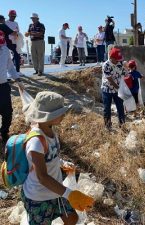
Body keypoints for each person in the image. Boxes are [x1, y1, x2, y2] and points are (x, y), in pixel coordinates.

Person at [21, 91, 94, 225]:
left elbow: (50, 156)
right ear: (48, 117)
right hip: (39, 197)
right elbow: (42, 177)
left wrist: (61, 163)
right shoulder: (36, 141)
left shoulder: (50, 131)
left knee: (72, 219)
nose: (63, 114)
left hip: (56, 190)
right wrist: (70, 194)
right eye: (60, 112)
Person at [0, 15, 23, 146]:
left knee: (7, 112)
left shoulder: (5, 50)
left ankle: (4, 133)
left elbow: (11, 67)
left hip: (3, 86)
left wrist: (18, 79)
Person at [101, 47, 126, 130]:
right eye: (116, 59)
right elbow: (110, 80)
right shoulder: (106, 65)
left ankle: (122, 125)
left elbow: (124, 73)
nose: (118, 61)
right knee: (107, 108)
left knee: (120, 108)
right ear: (111, 58)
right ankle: (107, 126)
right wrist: (119, 88)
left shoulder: (120, 63)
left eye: (119, 59)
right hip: (107, 90)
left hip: (117, 90)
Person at [5, 10, 22, 75]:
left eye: (14, 16)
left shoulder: (16, 23)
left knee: (17, 56)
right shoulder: (6, 23)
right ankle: (9, 72)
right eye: (12, 16)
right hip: (8, 41)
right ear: (9, 15)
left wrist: (17, 34)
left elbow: (17, 31)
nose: (13, 17)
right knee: (9, 57)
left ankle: (17, 71)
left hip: (15, 42)